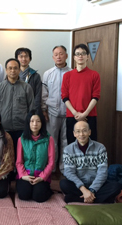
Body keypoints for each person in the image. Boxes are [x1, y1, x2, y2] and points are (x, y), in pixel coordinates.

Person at [60, 121, 121, 203]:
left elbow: (102, 172)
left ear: (89, 132)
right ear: (74, 134)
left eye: (84, 130)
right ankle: (97, 199)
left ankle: (82, 199)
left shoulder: (100, 147)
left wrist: (92, 190)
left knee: (116, 186)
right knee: (63, 184)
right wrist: (83, 189)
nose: (81, 134)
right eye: (78, 131)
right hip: (79, 186)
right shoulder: (68, 149)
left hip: (97, 185)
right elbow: (69, 172)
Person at [0, 58, 34, 154]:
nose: (12, 71)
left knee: (21, 155)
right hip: (4, 129)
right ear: (6, 70)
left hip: (22, 129)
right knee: (5, 156)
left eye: (15, 68)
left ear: (19, 70)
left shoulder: (26, 87)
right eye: (10, 68)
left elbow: (31, 109)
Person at [61, 43, 101, 144]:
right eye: (77, 54)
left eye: (83, 53)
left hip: (89, 115)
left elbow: (95, 96)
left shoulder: (94, 75)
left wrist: (85, 113)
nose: (80, 56)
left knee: (91, 144)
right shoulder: (67, 75)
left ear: (87, 56)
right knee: (72, 143)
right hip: (72, 116)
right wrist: (75, 113)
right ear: (74, 57)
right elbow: (64, 96)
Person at [42, 45, 72, 173]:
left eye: (61, 53)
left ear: (66, 55)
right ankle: (52, 167)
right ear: (53, 57)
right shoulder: (48, 74)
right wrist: (44, 109)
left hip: (68, 112)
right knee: (52, 141)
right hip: (51, 113)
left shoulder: (72, 73)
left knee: (66, 141)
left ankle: (64, 167)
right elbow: (44, 94)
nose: (59, 56)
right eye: (56, 54)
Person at [16, 109, 55, 202]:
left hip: (41, 175)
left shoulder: (49, 139)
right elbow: (19, 162)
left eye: (38, 121)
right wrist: (23, 175)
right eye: (32, 121)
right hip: (26, 174)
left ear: (42, 123)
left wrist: (42, 177)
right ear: (28, 123)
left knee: (39, 197)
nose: (35, 124)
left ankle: (47, 189)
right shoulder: (22, 139)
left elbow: (51, 162)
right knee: (24, 195)